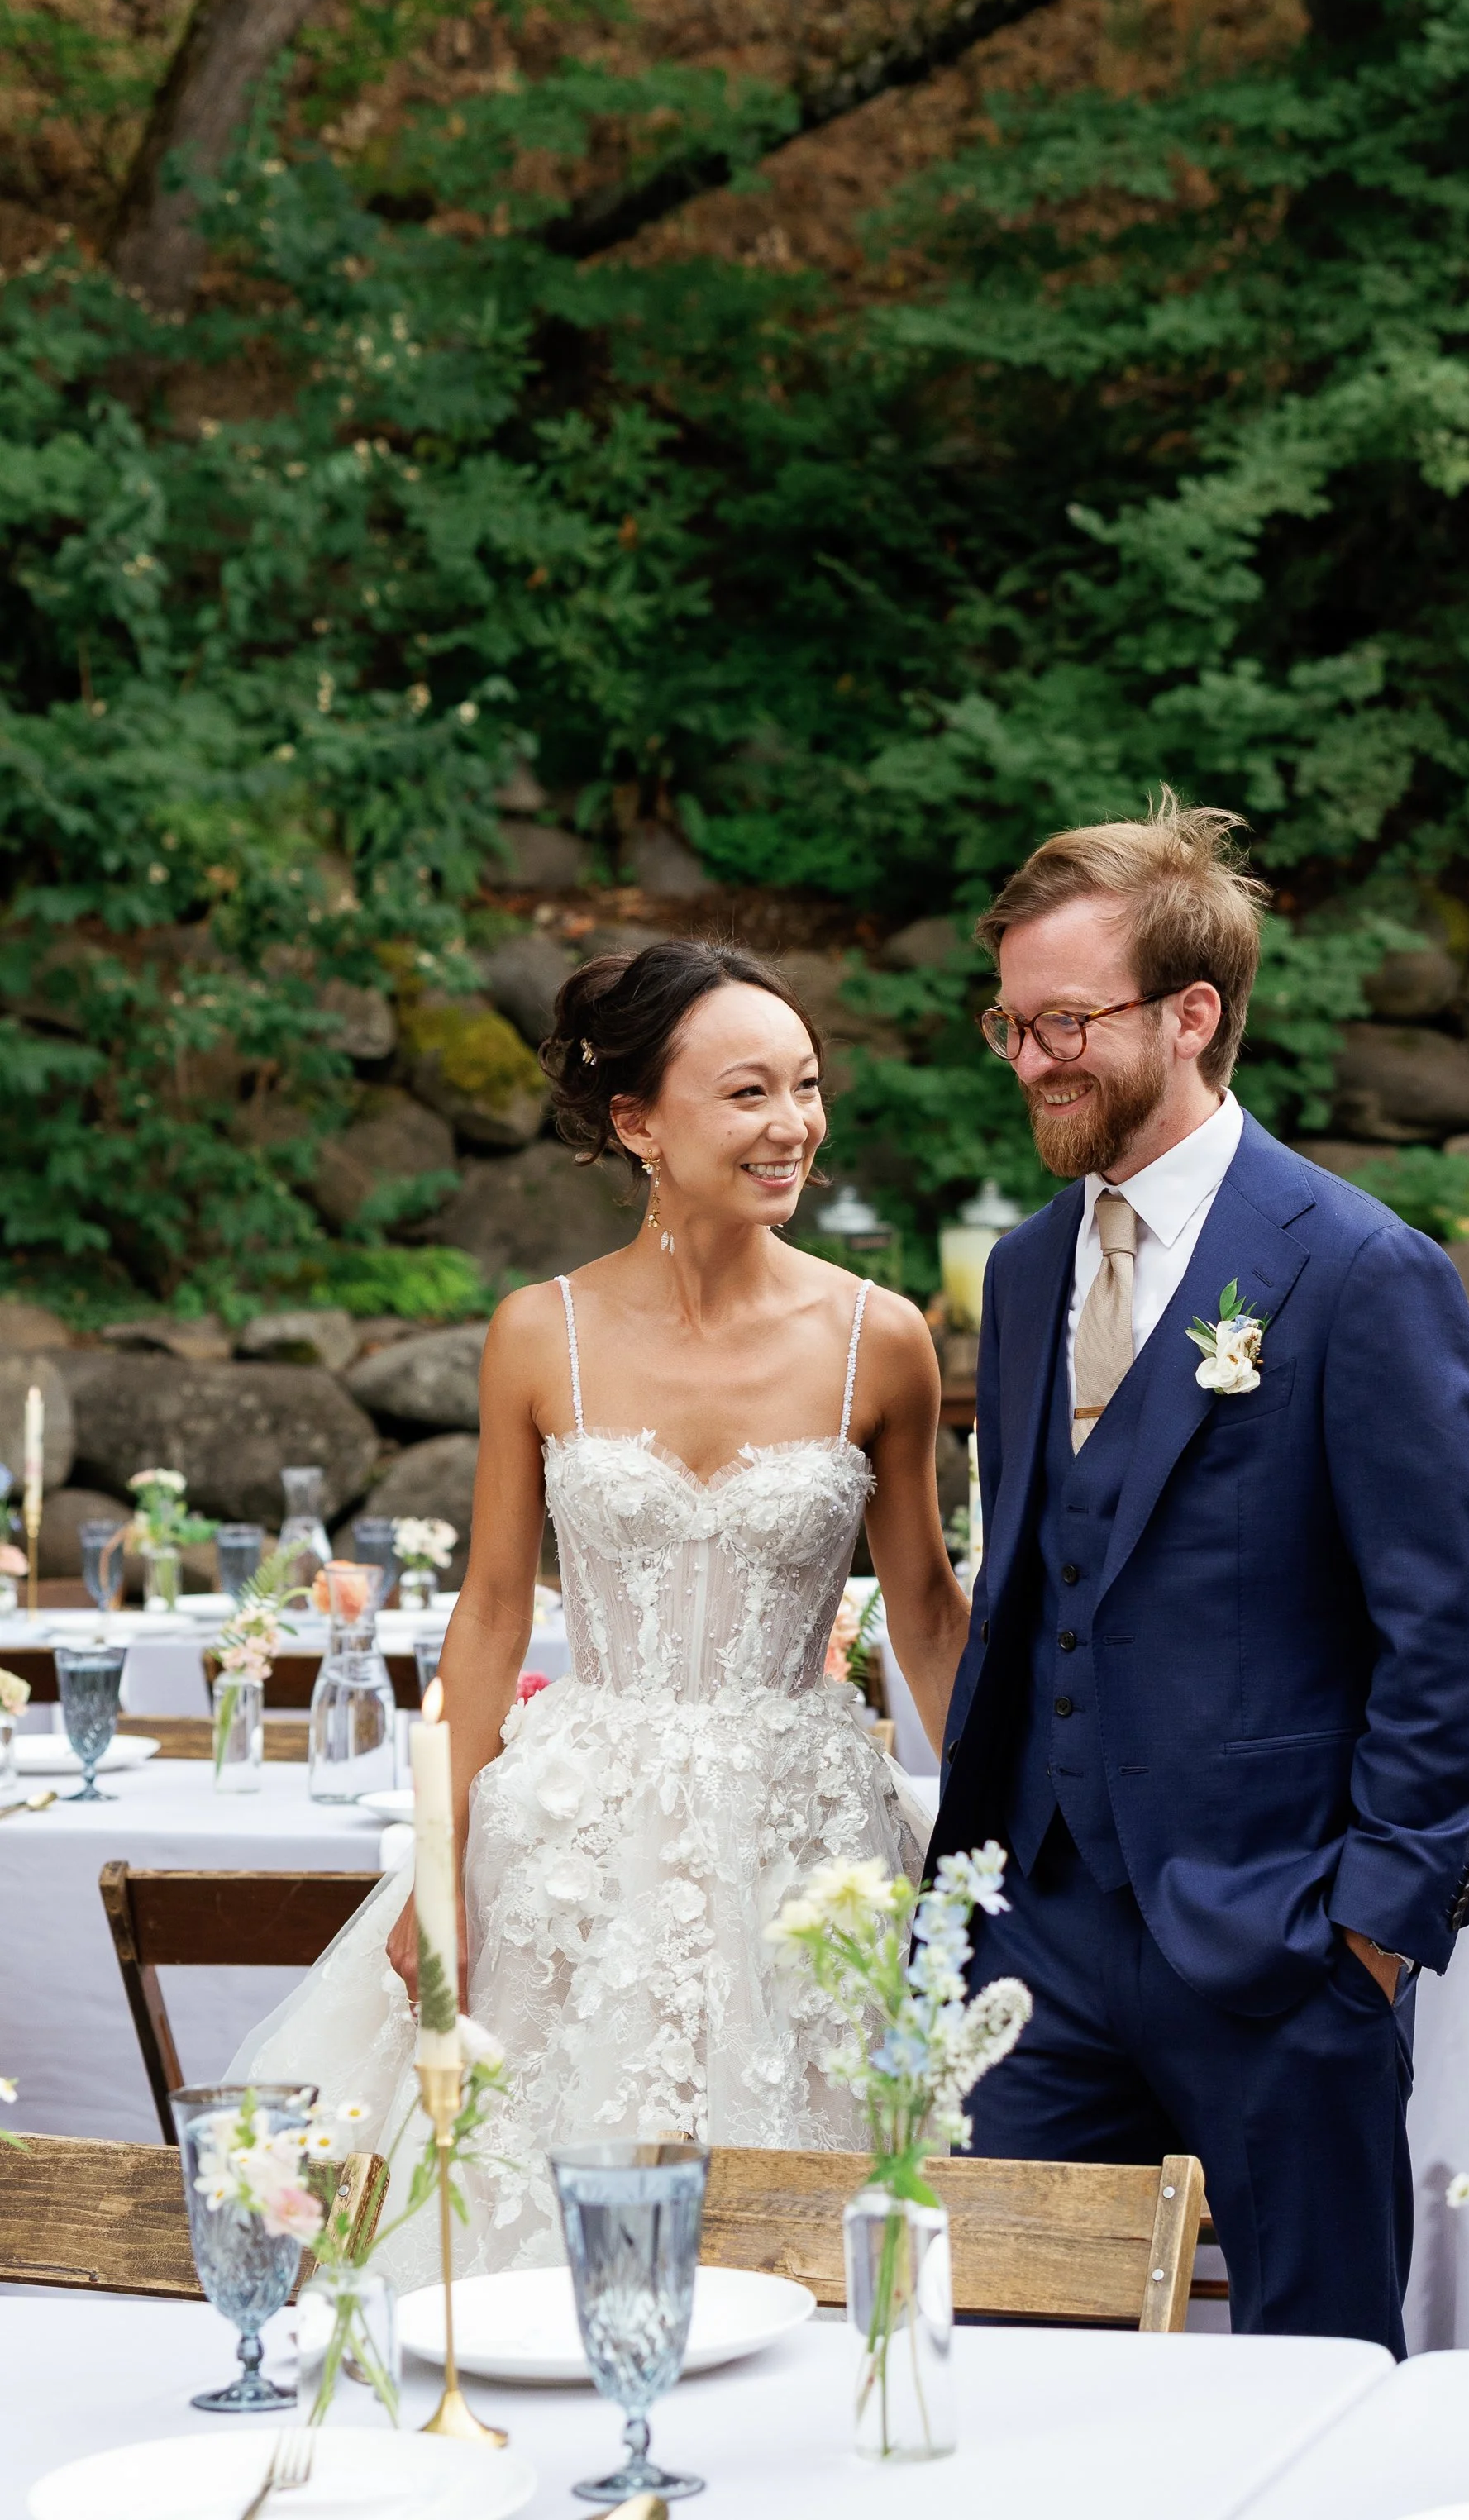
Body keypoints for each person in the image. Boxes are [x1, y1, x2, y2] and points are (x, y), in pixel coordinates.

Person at [231, 938, 966, 2282]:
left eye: (806, 1085)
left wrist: (1010, 1841)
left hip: (804, 1834)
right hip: (576, 1837)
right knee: (519, 2208)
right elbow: (490, 1615)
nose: (793, 1123)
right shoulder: (539, 1331)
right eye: (748, 1092)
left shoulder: (883, 1339)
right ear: (638, 1122)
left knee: (813, 2217)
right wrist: (440, 1874)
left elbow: (924, 1615)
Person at [928, 797, 1469, 2355]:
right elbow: (1037, 1583)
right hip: (1037, 1942)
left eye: (1067, 1021)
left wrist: (1371, 1931)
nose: (1032, 1058)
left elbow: (1445, 1631)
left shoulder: (1361, 1270)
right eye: (1012, 1024)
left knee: (1315, 2375)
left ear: (1192, 1015)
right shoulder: (1026, 1267)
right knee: (1006, 2370)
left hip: (1284, 1942)